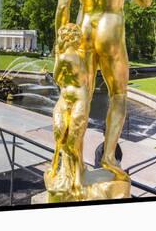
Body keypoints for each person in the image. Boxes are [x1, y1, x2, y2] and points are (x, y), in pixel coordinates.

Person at [55, 0, 153, 180]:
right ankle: (109, 157)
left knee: (78, 96)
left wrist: (59, 49)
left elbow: (63, 8)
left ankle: (71, 166)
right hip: (111, 27)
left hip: (84, 26)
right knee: (118, 94)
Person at [46, 23, 90, 195]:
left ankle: (75, 177)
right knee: (68, 139)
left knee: (69, 141)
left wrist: (58, 54)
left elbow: (57, 78)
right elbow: (84, 79)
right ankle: (73, 176)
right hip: (73, 99)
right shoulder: (81, 57)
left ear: (64, 39)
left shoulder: (65, 57)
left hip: (71, 98)